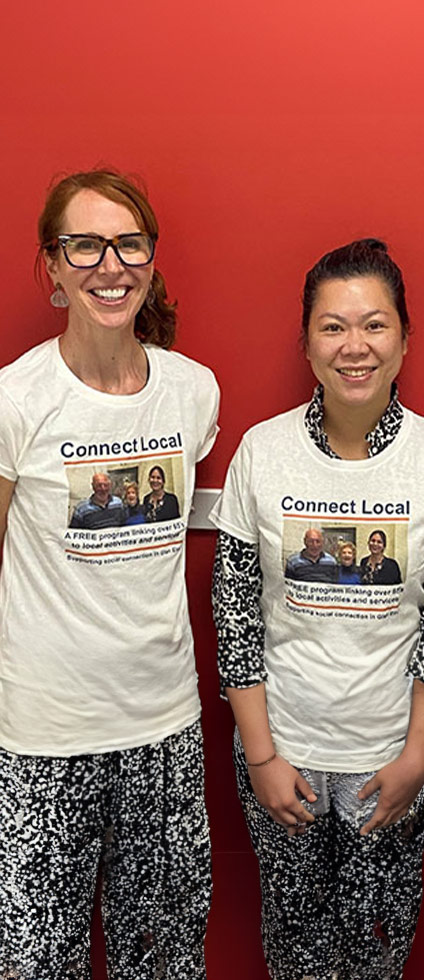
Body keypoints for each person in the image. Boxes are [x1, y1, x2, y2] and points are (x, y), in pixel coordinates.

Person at [211, 238, 424, 980]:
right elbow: (234, 613)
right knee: (294, 949)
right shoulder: (262, 453)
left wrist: (415, 758)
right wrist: (263, 756)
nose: (354, 346)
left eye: (374, 324)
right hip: (284, 754)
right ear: (305, 342)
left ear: (403, 338)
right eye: (333, 326)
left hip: (388, 761)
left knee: (376, 948)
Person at [0, 170, 219, 980]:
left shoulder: (193, 393)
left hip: (163, 725)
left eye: (128, 244)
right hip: (43, 735)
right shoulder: (16, 400)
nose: (109, 265)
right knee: (35, 961)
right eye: (83, 245)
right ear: (51, 268)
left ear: (151, 261)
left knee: (162, 960)